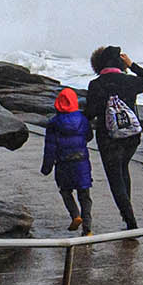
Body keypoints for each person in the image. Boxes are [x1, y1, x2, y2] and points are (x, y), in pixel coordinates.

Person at [85, 45, 143, 230]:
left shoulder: (96, 84)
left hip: (108, 138)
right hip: (131, 137)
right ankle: (128, 212)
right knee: (123, 169)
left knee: (115, 176)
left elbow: (90, 112)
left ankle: (129, 219)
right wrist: (132, 65)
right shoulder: (129, 81)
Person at [40, 87, 95, 235]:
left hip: (63, 163)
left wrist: (46, 168)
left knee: (65, 191)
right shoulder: (82, 119)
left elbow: (50, 148)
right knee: (84, 194)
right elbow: (89, 136)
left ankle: (75, 215)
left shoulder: (53, 123)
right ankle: (87, 229)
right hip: (81, 161)